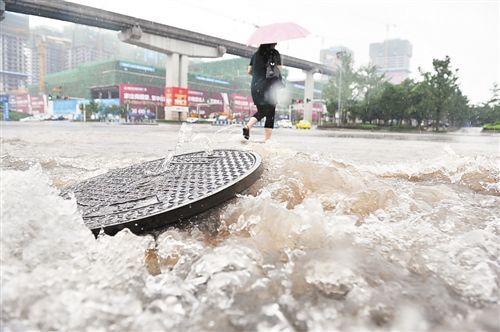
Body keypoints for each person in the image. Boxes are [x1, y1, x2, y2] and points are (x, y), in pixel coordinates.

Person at [243, 43, 283, 141]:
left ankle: (248, 126)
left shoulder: (256, 55)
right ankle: (267, 141)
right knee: (270, 113)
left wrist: (259, 73)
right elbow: (279, 69)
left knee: (262, 111)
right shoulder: (274, 53)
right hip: (269, 87)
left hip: (255, 87)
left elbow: (249, 71)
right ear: (272, 43)